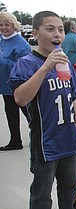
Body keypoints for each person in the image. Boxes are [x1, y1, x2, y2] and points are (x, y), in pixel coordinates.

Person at [8, 11, 76, 209]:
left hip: (68, 140)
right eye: (50, 29)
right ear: (35, 33)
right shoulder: (28, 62)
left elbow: (70, 97)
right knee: (42, 193)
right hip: (44, 143)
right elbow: (20, 98)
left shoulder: (65, 62)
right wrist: (45, 66)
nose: (57, 34)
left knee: (68, 187)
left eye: (60, 30)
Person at [0, 12, 31, 151]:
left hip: (19, 87)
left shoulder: (21, 44)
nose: (3, 28)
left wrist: (1, 61)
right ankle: (15, 141)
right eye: (1, 25)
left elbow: (23, 67)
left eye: (7, 24)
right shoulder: (2, 40)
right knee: (11, 114)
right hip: (5, 87)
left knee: (30, 115)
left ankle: (42, 137)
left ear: (14, 25)